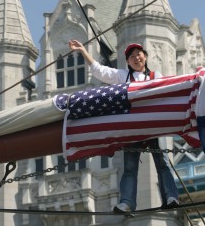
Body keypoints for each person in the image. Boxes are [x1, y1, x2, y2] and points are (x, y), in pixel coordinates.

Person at [69, 39, 179, 213]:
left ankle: (171, 197)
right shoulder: (123, 76)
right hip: (132, 127)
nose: (136, 58)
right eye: (132, 56)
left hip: (152, 125)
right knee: (129, 167)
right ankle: (127, 202)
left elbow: (170, 89)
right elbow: (100, 71)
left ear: (145, 57)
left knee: (163, 162)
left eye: (139, 54)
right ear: (127, 61)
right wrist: (83, 51)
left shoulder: (155, 76)